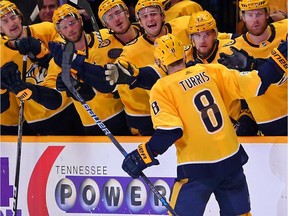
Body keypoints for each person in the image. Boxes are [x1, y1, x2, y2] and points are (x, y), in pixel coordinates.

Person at [121, 33, 286, 216]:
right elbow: (258, 83)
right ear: (184, 55)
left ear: (160, 62)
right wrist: (280, 58)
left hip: (197, 169)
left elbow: (171, 130)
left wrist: (143, 155)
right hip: (231, 161)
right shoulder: (211, 71)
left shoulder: (162, 88)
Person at [0, 0, 83, 135]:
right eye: (5, 21)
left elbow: (67, 60)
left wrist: (42, 53)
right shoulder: (1, 55)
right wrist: (2, 88)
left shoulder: (46, 29)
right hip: (39, 122)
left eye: (13, 16)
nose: (12, 23)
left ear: (20, 17)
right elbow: (3, 107)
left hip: (69, 108)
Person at [49, 3, 131, 135]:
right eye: (64, 27)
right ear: (59, 32)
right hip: (91, 124)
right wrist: (61, 87)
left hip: (122, 114)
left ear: (80, 21)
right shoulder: (58, 60)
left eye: (72, 23)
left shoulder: (104, 36)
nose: (70, 29)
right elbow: (54, 96)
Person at [219, 0, 287, 136]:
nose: (255, 20)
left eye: (259, 14)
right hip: (269, 122)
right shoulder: (232, 50)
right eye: (250, 15)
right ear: (242, 17)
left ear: (267, 13)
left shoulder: (285, 29)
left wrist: (252, 65)